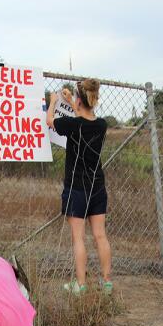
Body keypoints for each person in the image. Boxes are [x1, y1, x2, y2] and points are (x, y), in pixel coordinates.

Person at [47, 80, 112, 294]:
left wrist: (54, 101)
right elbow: (84, 119)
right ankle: (106, 281)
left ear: (79, 99)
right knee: (100, 235)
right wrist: (73, 102)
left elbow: (50, 121)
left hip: (77, 187)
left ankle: (81, 284)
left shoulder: (72, 125)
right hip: (98, 187)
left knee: (78, 237)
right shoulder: (101, 125)